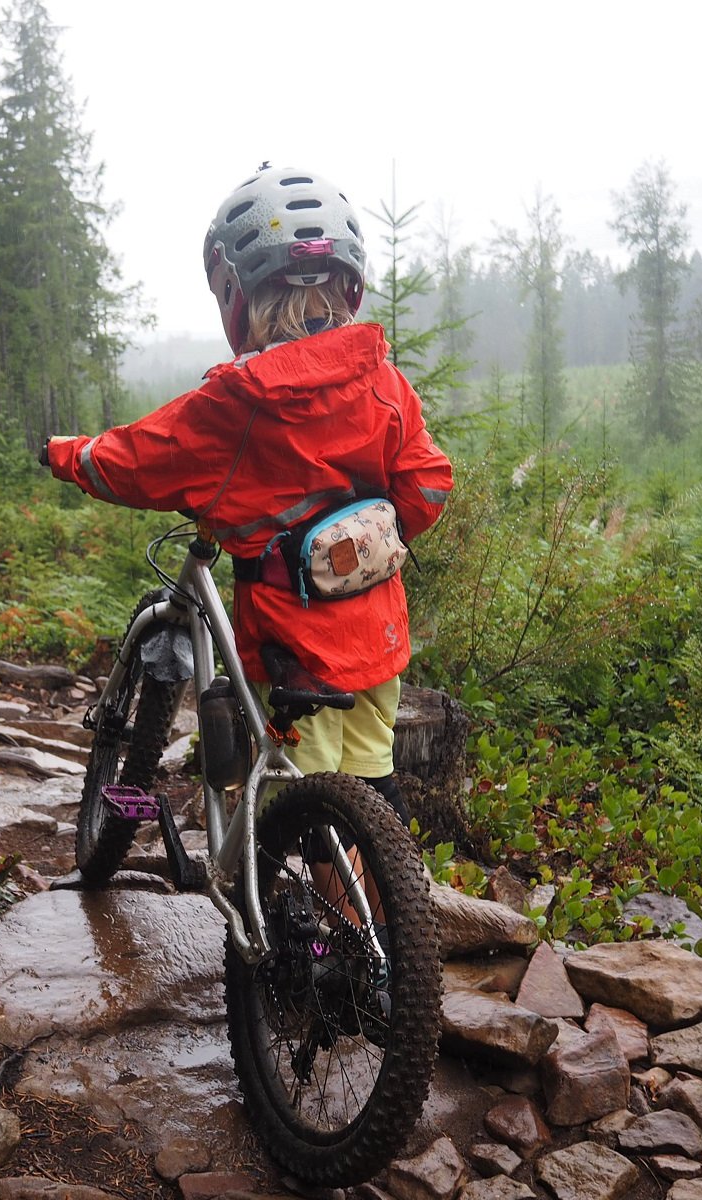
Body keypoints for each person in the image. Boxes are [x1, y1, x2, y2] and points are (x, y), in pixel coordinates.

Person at [42, 162, 452, 834]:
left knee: (309, 799)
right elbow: (430, 480)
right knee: (371, 786)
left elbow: (140, 460)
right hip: (378, 635)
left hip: (293, 647)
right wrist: (369, 540)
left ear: (236, 292)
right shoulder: (385, 382)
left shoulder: (234, 405)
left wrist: (67, 454)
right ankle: (390, 932)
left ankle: (323, 942)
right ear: (349, 284)